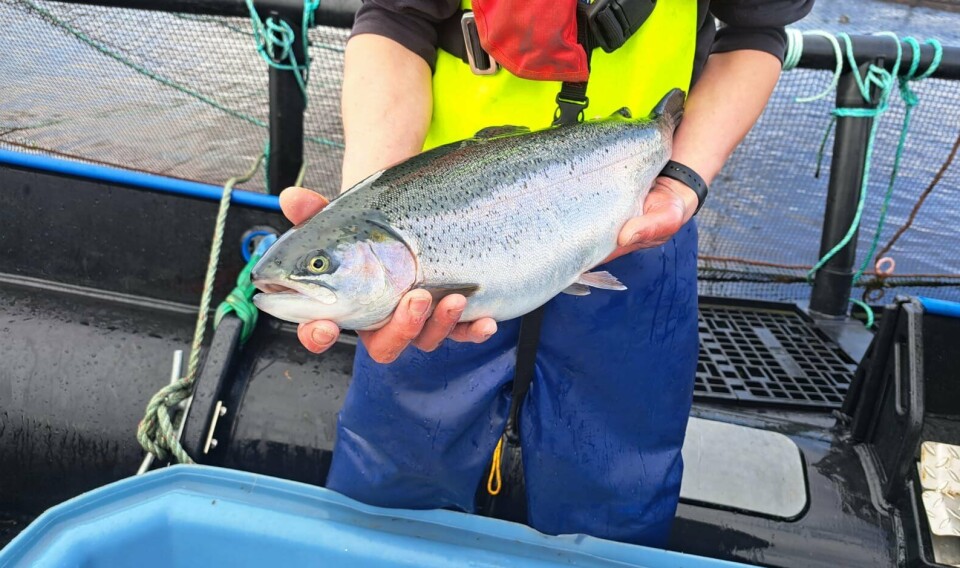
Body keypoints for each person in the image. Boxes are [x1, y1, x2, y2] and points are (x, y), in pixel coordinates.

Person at [278, 0, 814, 547]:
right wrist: (372, 196)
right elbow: (397, 15)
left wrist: (683, 177)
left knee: (616, 485)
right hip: (441, 222)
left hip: (640, 219)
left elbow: (757, 28)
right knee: (395, 476)